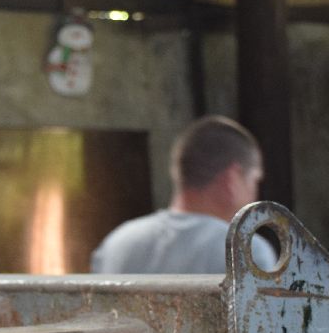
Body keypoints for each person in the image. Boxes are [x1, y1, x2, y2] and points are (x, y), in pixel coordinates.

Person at [91, 115, 277, 274]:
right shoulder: (245, 252)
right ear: (232, 179)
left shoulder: (116, 244)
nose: (255, 193)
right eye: (254, 180)